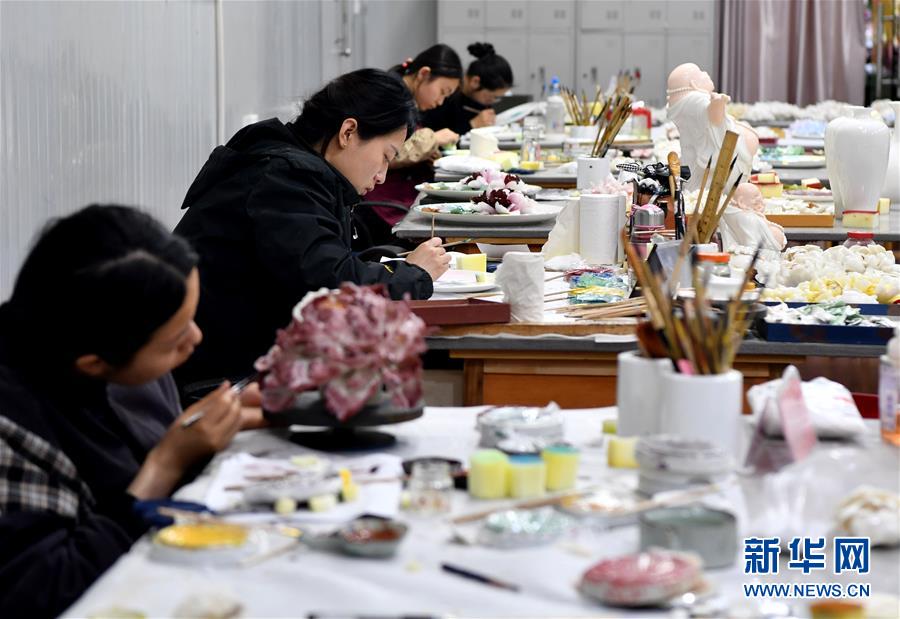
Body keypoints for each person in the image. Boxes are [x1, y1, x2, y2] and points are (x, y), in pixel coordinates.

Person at [0, 205, 249, 617]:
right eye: (175, 340)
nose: (196, 338)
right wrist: (166, 466)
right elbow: (44, 590)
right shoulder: (13, 426)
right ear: (94, 364)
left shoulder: (95, 340)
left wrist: (235, 418)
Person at [173, 68, 450, 388]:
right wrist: (414, 275)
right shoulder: (284, 179)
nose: (382, 176)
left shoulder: (297, 171)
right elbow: (329, 284)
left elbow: (324, 261)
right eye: (386, 156)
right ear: (348, 132)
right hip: (220, 377)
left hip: (243, 357)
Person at [362, 44, 464, 240]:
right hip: (381, 206)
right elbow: (386, 152)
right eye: (442, 91)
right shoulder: (390, 97)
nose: (441, 101)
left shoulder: (404, 97)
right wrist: (433, 139)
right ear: (424, 74)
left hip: (395, 198)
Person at [421, 42, 514, 136]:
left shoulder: (478, 101)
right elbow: (433, 134)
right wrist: (472, 125)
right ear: (475, 82)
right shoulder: (445, 98)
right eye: (492, 97)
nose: (492, 101)